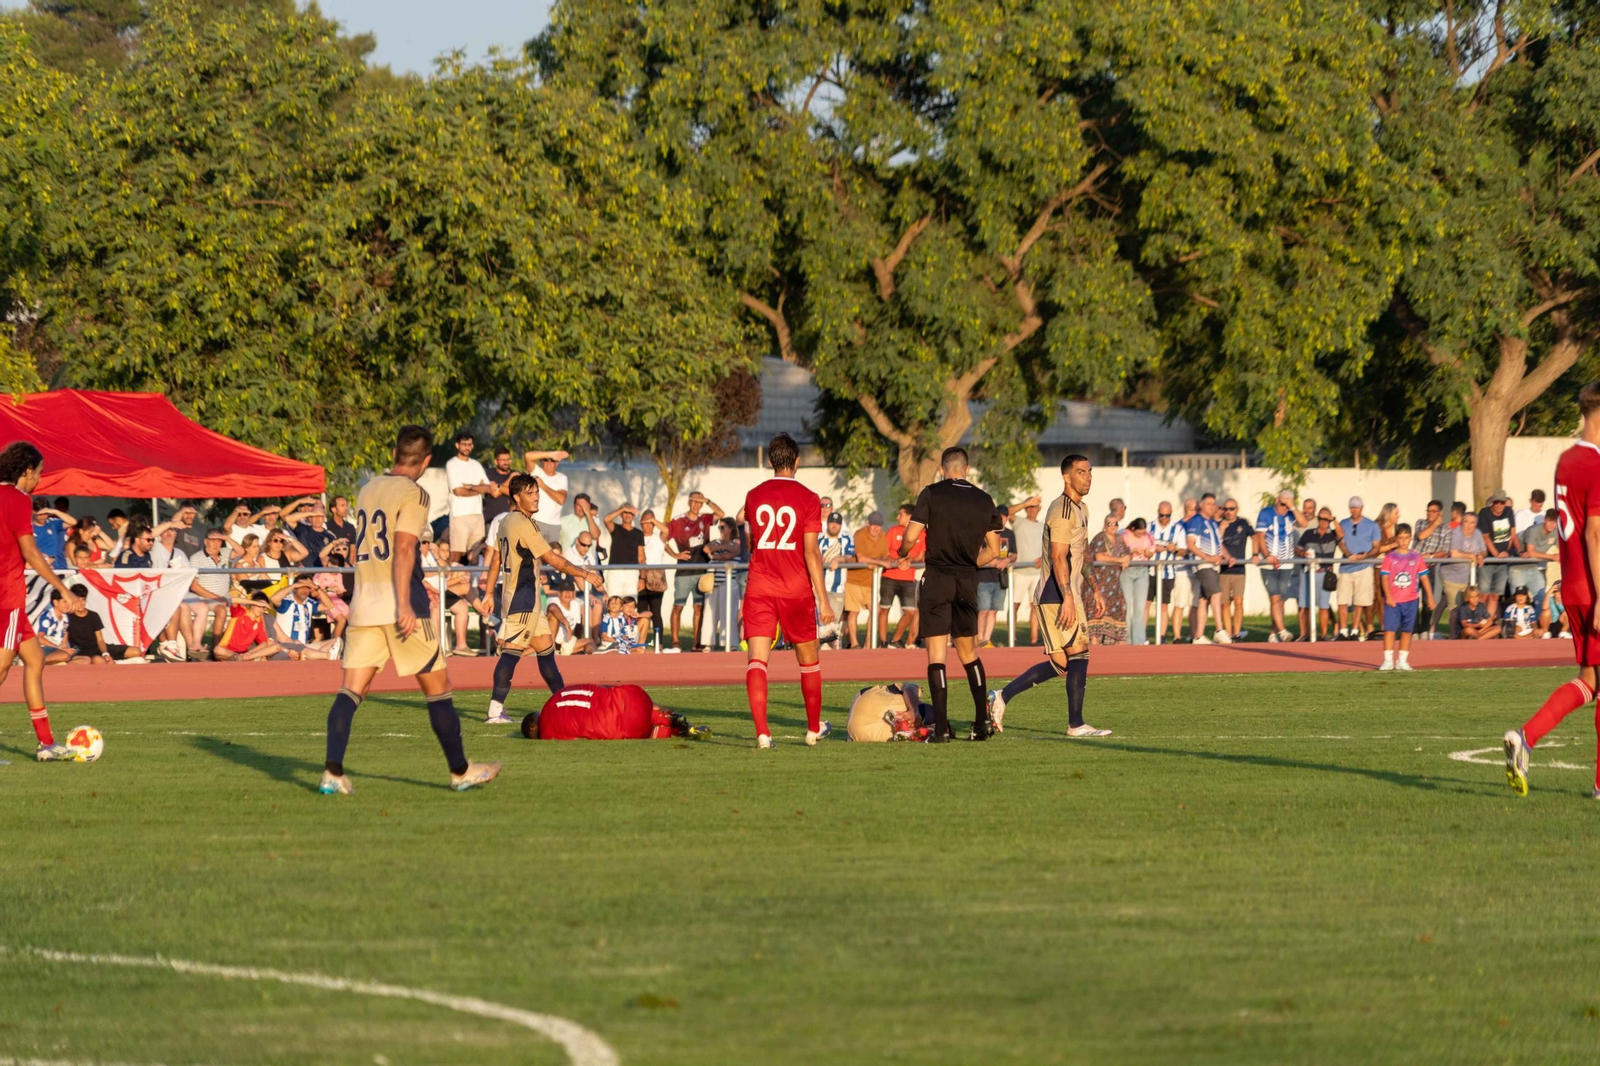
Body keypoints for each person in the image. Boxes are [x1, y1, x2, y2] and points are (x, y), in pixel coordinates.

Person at [318, 425, 502, 796]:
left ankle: (332, 773)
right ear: (427, 460)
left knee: (351, 691)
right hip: (401, 606)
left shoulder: (367, 488)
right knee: (439, 690)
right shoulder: (414, 492)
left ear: (395, 453)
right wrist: (405, 601)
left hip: (364, 604)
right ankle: (461, 772)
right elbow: (403, 548)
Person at [989, 454, 1108, 738]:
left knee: (1062, 662)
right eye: (1081, 472)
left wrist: (1094, 587)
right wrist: (1068, 597)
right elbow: (1058, 556)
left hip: (1066, 592)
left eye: (1089, 472)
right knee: (1079, 655)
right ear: (1067, 477)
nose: (1087, 477)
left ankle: (1001, 696)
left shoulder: (1082, 509)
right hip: (1056, 592)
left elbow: (1083, 552)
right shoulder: (1062, 510)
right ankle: (1075, 724)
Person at [892, 446, 1002, 741]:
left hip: (937, 577)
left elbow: (910, 538)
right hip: (967, 580)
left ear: (943, 469)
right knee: (970, 654)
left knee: (936, 655)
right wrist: (968, 564)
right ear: (966, 470)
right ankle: (982, 723)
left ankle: (940, 729)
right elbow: (994, 550)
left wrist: (902, 553)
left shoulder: (931, 493)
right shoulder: (983, 499)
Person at [483, 473, 606, 724]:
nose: (536, 496)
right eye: (530, 493)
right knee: (511, 653)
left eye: (537, 491)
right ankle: (495, 711)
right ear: (517, 497)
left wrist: (487, 592)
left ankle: (562, 703)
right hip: (523, 597)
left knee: (546, 652)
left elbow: (496, 558)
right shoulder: (522, 523)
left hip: (526, 597)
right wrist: (585, 573)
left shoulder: (507, 520)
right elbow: (553, 559)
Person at [741, 432, 835, 748]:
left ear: (770, 461)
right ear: (797, 461)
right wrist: (823, 600)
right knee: (808, 661)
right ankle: (812, 730)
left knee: (757, 660)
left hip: (760, 587)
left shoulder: (754, 495)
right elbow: (811, 552)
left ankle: (763, 734)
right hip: (796, 589)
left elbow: (753, 543)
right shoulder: (809, 498)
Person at [0, 443, 85, 758]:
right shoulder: (19, 499)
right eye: (39, 472)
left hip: (10, 602)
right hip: (6, 597)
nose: (39, 479)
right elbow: (30, 553)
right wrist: (63, 589)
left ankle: (46, 744)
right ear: (25, 471)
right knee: (2, 668)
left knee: (34, 661)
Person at [519, 684, 705, 741]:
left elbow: (578, 738)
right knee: (629, 705)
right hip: (633, 698)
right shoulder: (556, 696)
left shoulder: (549, 733)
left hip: (626, 728)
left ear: (534, 727)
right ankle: (670, 718)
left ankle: (677, 732)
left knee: (639, 730)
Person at [665, 490, 724, 651]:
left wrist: (708, 500)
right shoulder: (678, 521)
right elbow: (662, 538)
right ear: (688, 502)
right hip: (684, 571)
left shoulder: (705, 518)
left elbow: (721, 513)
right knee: (678, 606)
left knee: (698, 608)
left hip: (701, 570)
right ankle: (675, 641)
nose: (697, 505)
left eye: (700, 502)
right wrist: (675, 554)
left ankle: (696, 642)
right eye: (694, 502)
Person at [1378, 523, 1435, 672]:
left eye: (1406, 538)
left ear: (1410, 538)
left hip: (1411, 600)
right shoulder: (1389, 558)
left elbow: (1424, 578)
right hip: (1394, 601)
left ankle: (1402, 660)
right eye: (1400, 538)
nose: (1403, 541)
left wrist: (1430, 596)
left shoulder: (1416, 557)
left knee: (1407, 631)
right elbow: (1384, 579)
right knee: (1390, 630)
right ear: (1396, 538)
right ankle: (1388, 660)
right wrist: (1388, 596)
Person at [1185, 494, 1232, 645]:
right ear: (1201, 505)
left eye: (1214, 504)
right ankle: (1219, 630)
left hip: (1213, 565)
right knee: (1217, 594)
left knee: (1203, 600)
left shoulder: (1212, 523)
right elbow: (1190, 544)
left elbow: (1219, 544)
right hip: (1203, 565)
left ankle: (1198, 636)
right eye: (1209, 504)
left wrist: (1228, 556)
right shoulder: (1196, 521)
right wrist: (1207, 557)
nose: (1212, 507)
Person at [1255, 489, 1300, 643]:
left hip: (1286, 563)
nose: (1284, 507)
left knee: (1281, 600)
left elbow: (1304, 523)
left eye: (1286, 503)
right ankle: (1282, 630)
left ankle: (1273, 633)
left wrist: (1292, 507)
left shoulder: (1290, 514)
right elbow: (1259, 536)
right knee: (1274, 598)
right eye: (1282, 502)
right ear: (1276, 500)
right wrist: (1267, 555)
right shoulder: (1266, 513)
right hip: (1269, 564)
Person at [880, 504, 924, 648]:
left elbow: (920, 555)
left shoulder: (921, 534)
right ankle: (882, 642)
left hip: (908, 578)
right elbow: (884, 552)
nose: (898, 517)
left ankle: (895, 640)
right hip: (890, 576)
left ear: (910, 517)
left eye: (901, 514)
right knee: (884, 608)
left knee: (910, 612)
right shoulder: (893, 531)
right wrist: (895, 560)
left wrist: (910, 559)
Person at [1336, 497, 1381, 640]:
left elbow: (1376, 547)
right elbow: (1341, 542)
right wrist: (1349, 554)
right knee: (1342, 600)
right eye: (1352, 507)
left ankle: (1355, 631)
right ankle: (1343, 631)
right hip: (1346, 567)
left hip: (1364, 568)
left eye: (1357, 507)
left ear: (1362, 507)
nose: (1354, 510)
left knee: (1359, 602)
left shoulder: (1371, 525)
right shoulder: (1343, 523)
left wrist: (1366, 555)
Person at [1477, 490, 1522, 620]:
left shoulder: (1509, 512)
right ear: (1493, 502)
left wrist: (1518, 551)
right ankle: (1478, 621)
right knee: (1484, 594)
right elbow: (1485, 536)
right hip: (1489, 561)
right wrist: (1496, 554)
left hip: (1503, 561)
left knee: (1495, 595)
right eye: (1496, 502)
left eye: (1502, 502)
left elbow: (1513, 535)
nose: (1499, 505)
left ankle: (1487, 623)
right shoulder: (1484, 513)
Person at [975, 504, 1017, 648]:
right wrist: (989, 559)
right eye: (1001, 519)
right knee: (983, 610)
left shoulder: (1010, 534)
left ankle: (987, 639)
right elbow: (977, 552)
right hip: (984, 577)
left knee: (993, 610)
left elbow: (1014, 554)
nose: (1003, 522)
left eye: (1005, 519)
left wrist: (1007, 560)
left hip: (1000, 578)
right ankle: (979, 639)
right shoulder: (984, 531)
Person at [1296, 508, 1339, 640]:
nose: (1324, 522)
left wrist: (1333, 520)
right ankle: (1304, 634)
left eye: (1327, 519)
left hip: (1325, 574)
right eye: (1321, 519)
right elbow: (1298, 548)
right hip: (1308, 573)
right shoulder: (1308, 533)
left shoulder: (1333, 534)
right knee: (1304, 605)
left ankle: (1324, 635)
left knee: (1324, 606)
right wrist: (1303, 553)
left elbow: (1342, 534)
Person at [849, 511, 891, 645]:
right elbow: (861, 558)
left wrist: (877, 562)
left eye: (879, 525)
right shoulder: (860, 534)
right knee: (853, 612)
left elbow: (886, 556)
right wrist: (878, 562)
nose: (876, 528)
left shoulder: (882, 536)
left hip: (870, 582)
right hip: (854, 580)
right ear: (868, 524)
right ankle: (854, 643)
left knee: (875, 611)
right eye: (874, 525)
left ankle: (868, 643)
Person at [1412, 500, 1452, 638]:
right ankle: (1414, 630)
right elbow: (1421, 536)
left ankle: (1424, 629)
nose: (1429, 513)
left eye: (1433, 511)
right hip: (1414, 566)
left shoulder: (1445, 529)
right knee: (1413, 600)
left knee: (1427, 599)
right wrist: (1434, 524)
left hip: (1430, 567)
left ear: (1440, 513)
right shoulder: (1420, 523)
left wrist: (1431, 555)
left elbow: (1445, 551)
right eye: (1428, 510)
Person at [1150, 501, 1189, 642]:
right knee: (1146, 603)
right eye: (1161, 515)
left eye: (1167, 515)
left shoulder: (1177, 529)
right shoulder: (1150, 527)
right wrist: (1153, 548)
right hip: (1150, 571)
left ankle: (1161, 636)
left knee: (1164, 605)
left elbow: (1183, 551)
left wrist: (1175, 549)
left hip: (1168, 572)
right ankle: (1141, 637)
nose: (1164, 518)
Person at [1088, 514, 1128, 646]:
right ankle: (1094, 640)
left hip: (1114, 583)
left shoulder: (1119, 539)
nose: (1113, 526)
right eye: (1110, 524)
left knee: (1119, 608)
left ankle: (1117, 640)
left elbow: (1127, 553)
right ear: (1105, 525)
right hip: (1099, 582)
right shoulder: (1100, 538)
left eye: (1116, 524)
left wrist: (1127, 558)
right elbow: (1099, 557)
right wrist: (1119, 560)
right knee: (1097, 610)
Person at [817, 511, 856, 646]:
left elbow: (850, 556)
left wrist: (839, 559)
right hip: (819, 586)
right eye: (832, 523)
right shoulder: (819, 538)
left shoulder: (847, 538)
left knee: (834, 623)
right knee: (820, 624)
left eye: (837, 524)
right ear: (827, 524)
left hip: (838, 587)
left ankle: (834, 652)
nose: (834, 526)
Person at [1217, 498, 1254, 641]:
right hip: (1224, 570)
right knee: (1225, 603)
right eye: (1225, 509)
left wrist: (1255, 554)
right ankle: (1229, 633)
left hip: (1239, 569)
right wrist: (1221, 529)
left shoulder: (1243, 523)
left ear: (1237, 509)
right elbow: (1215, 543)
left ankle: (1237, 633)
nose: (1228, 512)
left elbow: (1255, 536)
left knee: (1238, 601)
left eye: (1231, 509)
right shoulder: (1219, 524)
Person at [846, 682, 930, 743]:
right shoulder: (907, 695)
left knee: (923, 726)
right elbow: (910, 687)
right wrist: (914, 710)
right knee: (924, 716)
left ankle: (907, 729)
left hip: (858, 733)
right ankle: (910, 728)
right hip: (860, 732)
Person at [1010, 495, 1044, 645]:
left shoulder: (1043, 526)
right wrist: (1025, 503)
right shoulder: (1019, 522)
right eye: (1029, 507)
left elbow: (1049, 547)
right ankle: (1013, 637)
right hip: (1020, 571)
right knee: (1015, 605)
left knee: (1035, 606)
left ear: (1039, 509)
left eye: (1034, 507)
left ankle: (1034, 639)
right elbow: (1008, 513)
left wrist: (1044, 559)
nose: (1031, 510)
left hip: (1037, 572)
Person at [213, 591, 284, 662]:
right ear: (252, 605)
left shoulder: (259, 621)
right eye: (259, 606)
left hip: (245, 653)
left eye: (264, 608)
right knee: (218, 650)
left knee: (276, 647)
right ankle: (241, 658)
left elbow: (264, 643)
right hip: (228, 651)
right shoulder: (240, 612)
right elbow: (233, 600)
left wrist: (249, 653)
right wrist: (256, 602)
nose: (261, 610)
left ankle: (245, 658)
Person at [1441, 512, 1487, 617]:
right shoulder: (1456, 533)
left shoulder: (1478, 533)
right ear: (1462, 522)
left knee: (1461, 605)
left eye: (1472, 522)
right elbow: (1454, 553)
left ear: (1476, 524)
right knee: (1455, 607)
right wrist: (1470, 555)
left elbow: (1484, 550)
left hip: (1468, 578)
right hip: (1452, 576)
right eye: (1466, 522)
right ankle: (1453, 633)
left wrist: (1481, 555)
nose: (1469, 525)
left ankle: (1433, 627)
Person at [523, 449, 572, 547]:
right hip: (536, 521)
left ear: (557, 464)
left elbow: (561, 499)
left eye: (552, 460)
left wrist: (543, 485)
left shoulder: (562, 478)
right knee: (535, 555)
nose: (549, 463)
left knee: (553, 555)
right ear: (542, 461)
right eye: (546, 460)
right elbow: (527, 456)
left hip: (554, 524)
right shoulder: (537, 471)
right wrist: (551, 454)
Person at [636, 509, 670, 645]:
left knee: (656, 611)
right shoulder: (637, 537)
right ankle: (639, 642)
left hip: (656, 578)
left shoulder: (659, 537)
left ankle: (658, 643)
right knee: (641, 611)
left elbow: (666, 531)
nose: (648, 525)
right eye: (645, 522)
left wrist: (653, 520)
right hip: (641, 576)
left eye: (650, 522)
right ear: (641, 523)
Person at [1120, 517, 1153, 645]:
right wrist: (1133, 550)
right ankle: (1126, 639)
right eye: (1139, 533)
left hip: (1142, 570)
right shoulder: (1125, 535)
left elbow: (1151, 552)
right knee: (1127, 607)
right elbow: (1121, 550)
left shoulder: (1148, 536)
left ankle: (1138, 641)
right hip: (1128, 570)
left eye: (1143, 533)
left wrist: (1147, 553)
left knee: (1139, 607)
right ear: (1133, 529)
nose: (1141, 535)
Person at [603, 502, 645, 604]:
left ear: (633, 515)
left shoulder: (638, 533)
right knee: (613, 602)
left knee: (631, 603)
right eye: (625, 513)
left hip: (632, 572)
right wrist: (622, 509)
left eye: (630, 513)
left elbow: (641, 558)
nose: (627, 515)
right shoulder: (616, 529)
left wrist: (642, 578)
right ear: (621, 515)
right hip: (615, 571)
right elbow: (606, 519)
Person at [30, 498, 73, 570]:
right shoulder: (29, 528)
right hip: (39, 569)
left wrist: (55, 511)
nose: (43, 517)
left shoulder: (52, 523)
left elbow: (73, 522)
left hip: (58, 568)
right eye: (40, 514)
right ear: (34, 512)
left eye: (46, 514)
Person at [481, 447, 515, 528]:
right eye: (503, 460)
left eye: (508, 459)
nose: (506, 462)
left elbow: (515, 492)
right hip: (490, 520)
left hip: (510, 522)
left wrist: (498, 487)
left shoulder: (515, 474)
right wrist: (510, 480)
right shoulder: (487, 474)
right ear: (496, 461)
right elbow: (494, 493)